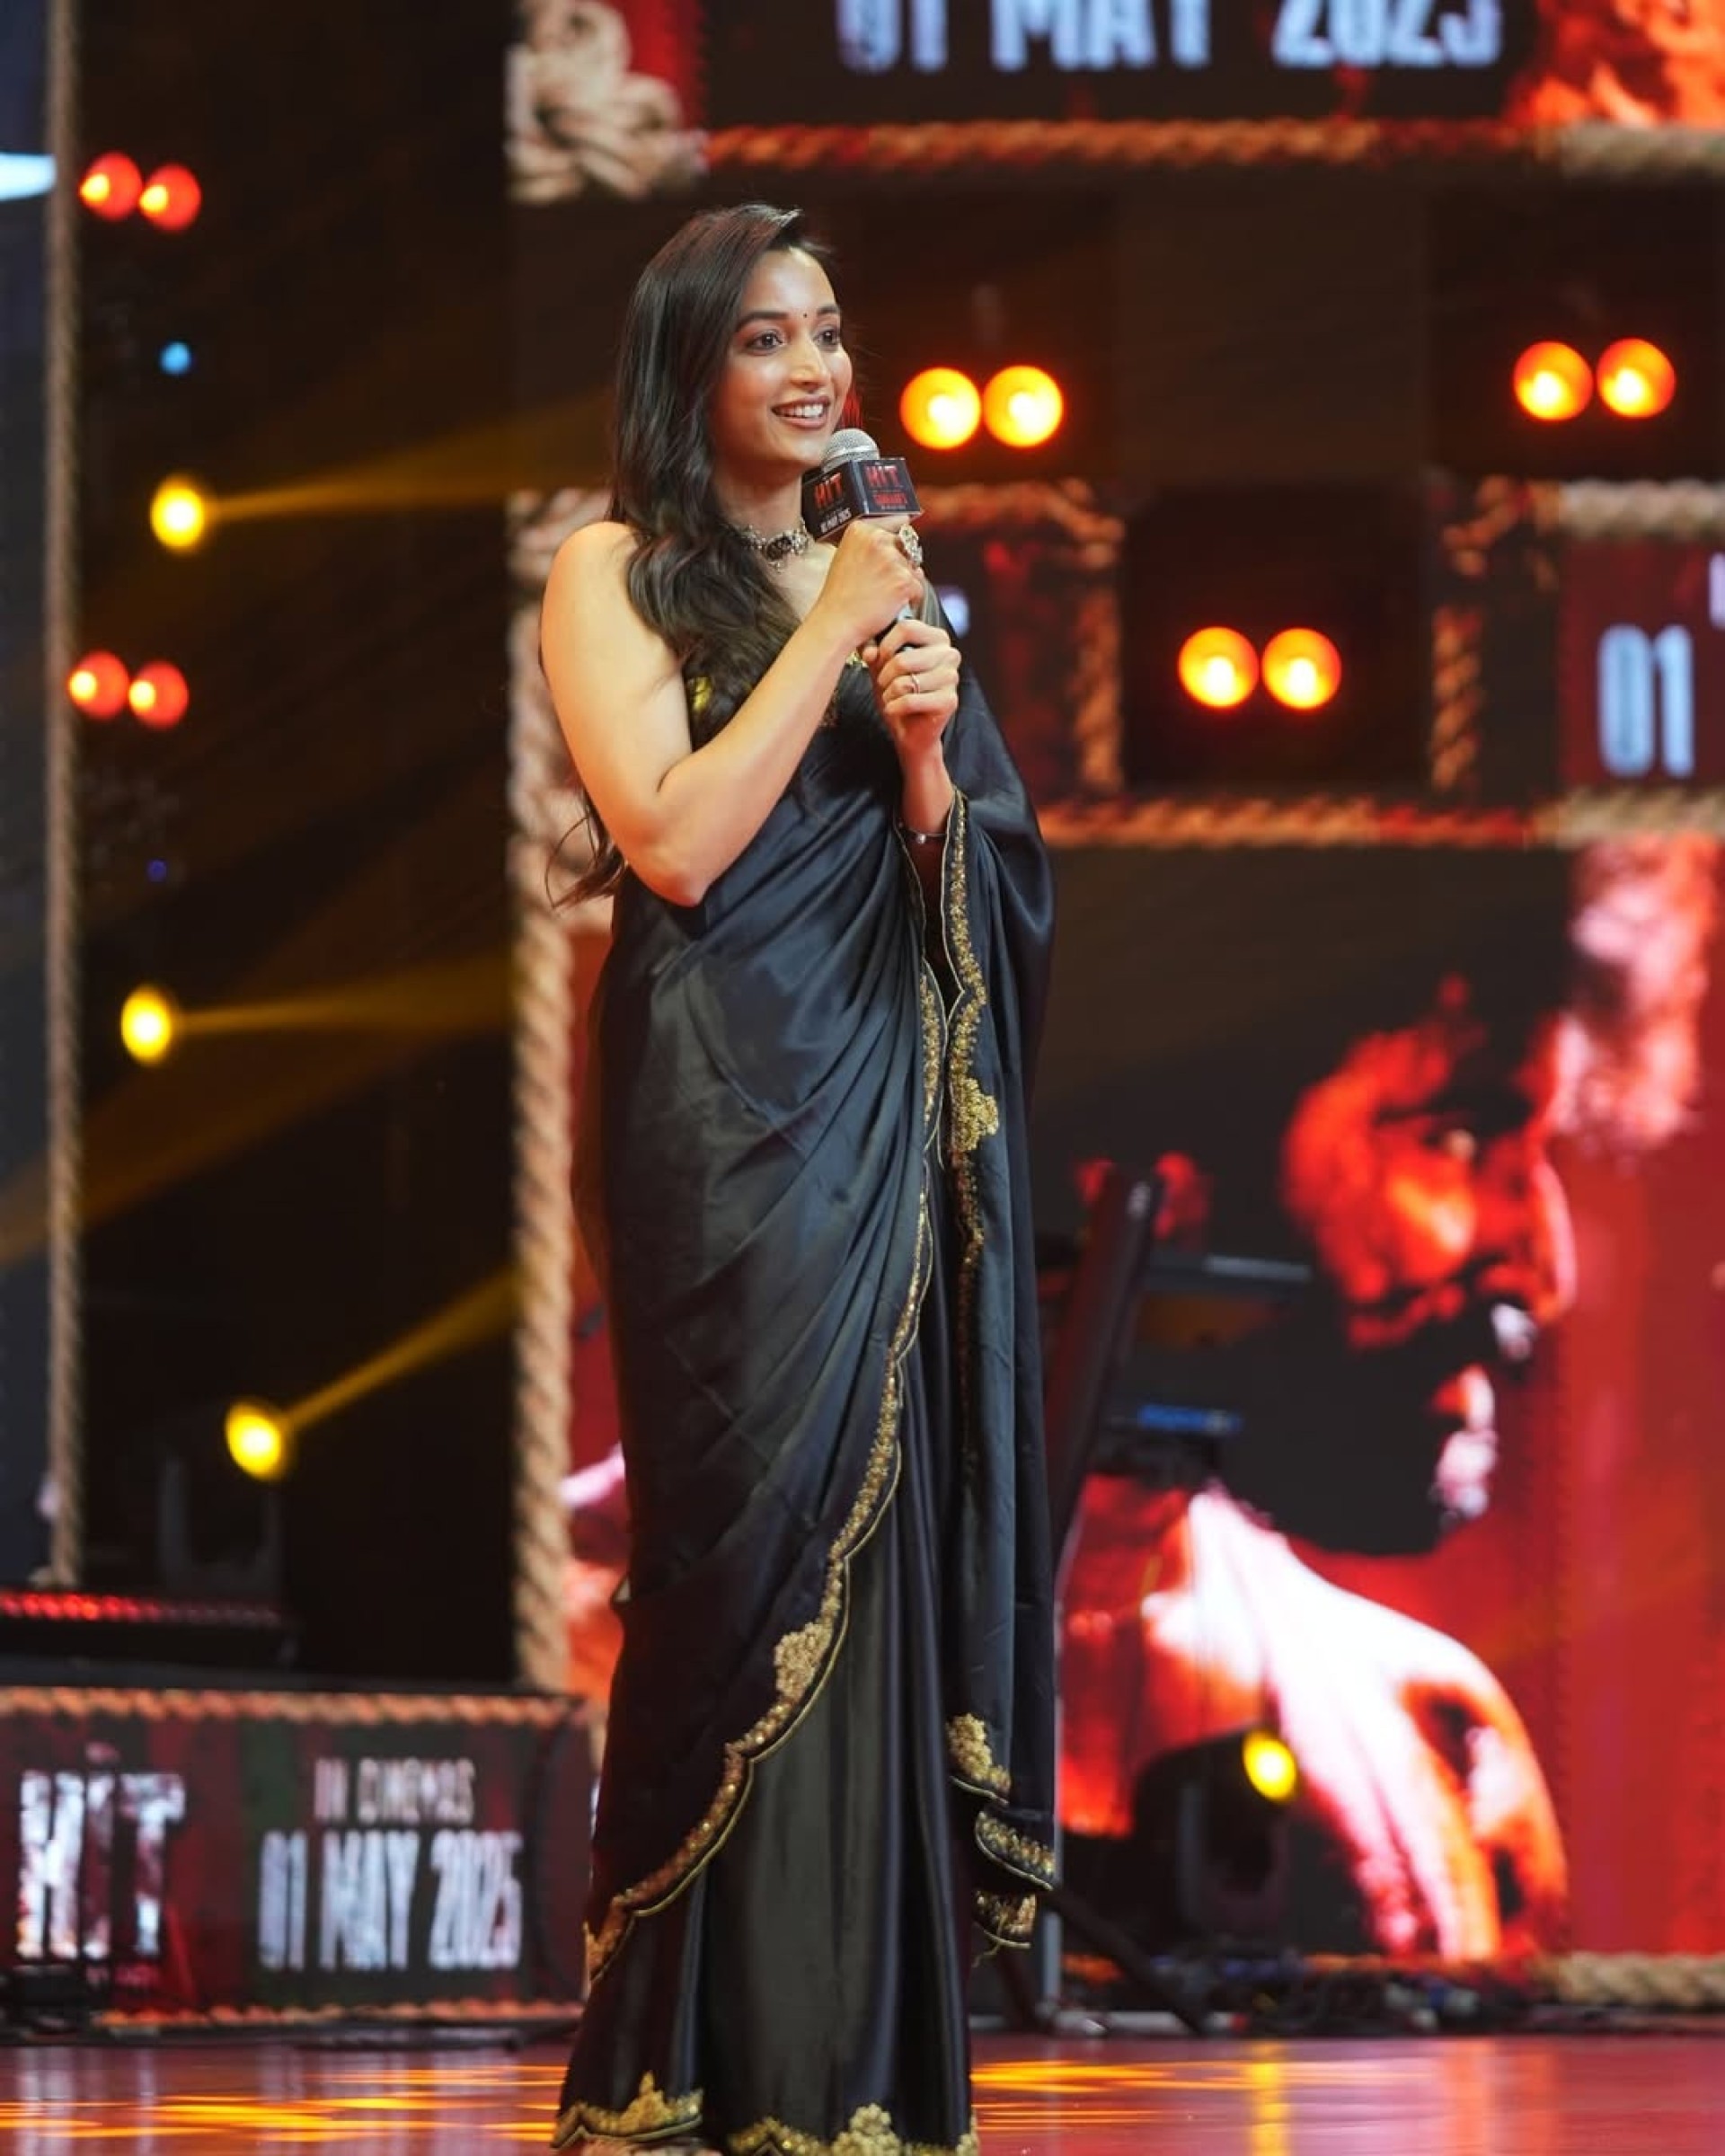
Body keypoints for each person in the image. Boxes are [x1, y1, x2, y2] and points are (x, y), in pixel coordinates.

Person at [537, 203, 1056, 2156]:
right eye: (767, 338)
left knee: (881, 1530)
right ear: (691, 367)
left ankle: (850, 2074)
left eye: (828, 332)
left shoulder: (881, 577)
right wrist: (833, 630)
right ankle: (684, 2060)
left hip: (876, 1106)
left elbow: (971, 876)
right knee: (738, 1546)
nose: (817, 368)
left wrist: (926, 758)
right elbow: (673, 842)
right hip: (718, 1111)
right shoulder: (613, 572)